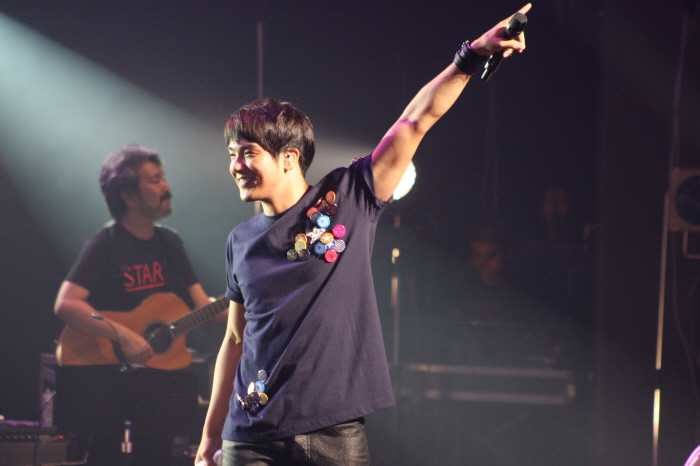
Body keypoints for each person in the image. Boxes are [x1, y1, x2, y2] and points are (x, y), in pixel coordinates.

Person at [196, 4, 531, 466]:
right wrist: (210, 436)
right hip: (250, 437)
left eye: (247, 152)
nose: (236, 165)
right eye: (232, 154)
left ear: (289, 157)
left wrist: (471, 56)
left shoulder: (348, 196)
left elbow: (414, 121)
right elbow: (234, 341)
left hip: (331, 432)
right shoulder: (240, 240)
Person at [54, 144, 221, 466]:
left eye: (163, 178)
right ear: (129, 197)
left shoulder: (170, 243)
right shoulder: (105, 243)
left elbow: (204, 306)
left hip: (158, 377)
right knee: (103, 457)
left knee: (156, 456)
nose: (166, 187)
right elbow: (66, 304)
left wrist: (249, 303)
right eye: (155, 180)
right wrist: (123, 334)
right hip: (106, 375)